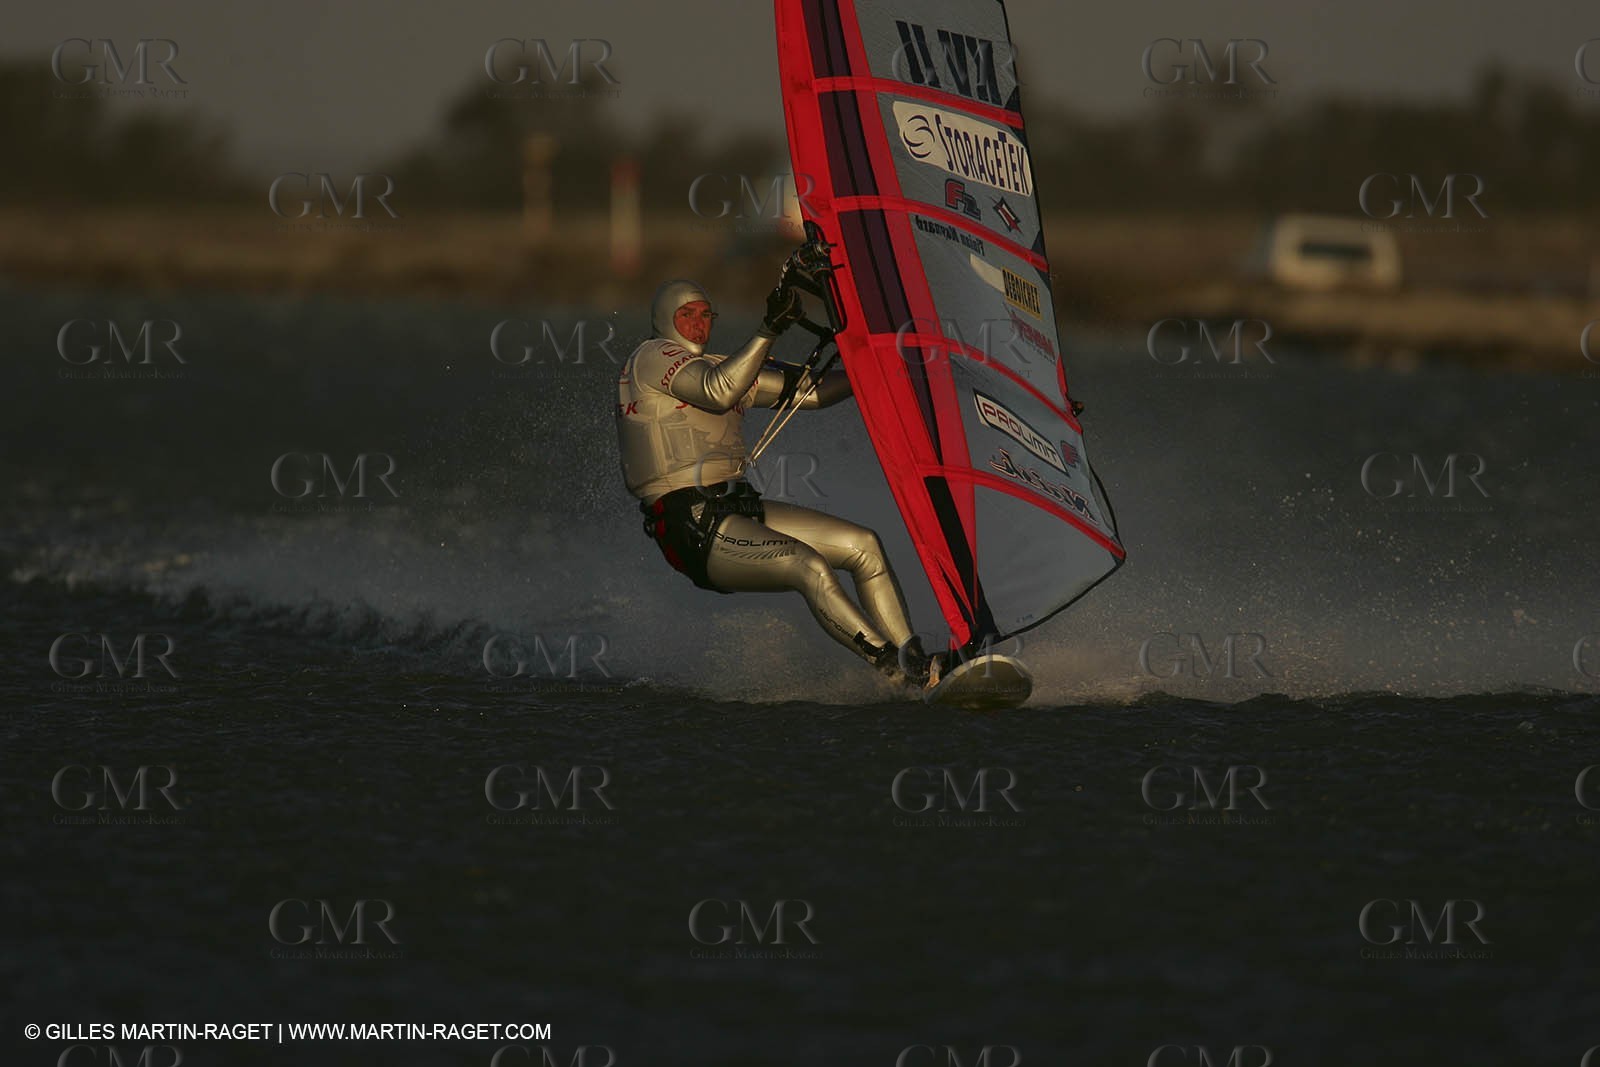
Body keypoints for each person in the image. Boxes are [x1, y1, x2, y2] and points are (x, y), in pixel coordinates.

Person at [615, 272, 942, 688]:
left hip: (738, 509)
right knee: (810, 567)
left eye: (705, 315)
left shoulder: (721, 366)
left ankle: (915, 659)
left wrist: (878, 367)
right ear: (664, 319)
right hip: (690, 524)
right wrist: (768, 329)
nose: (698, 324)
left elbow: (811, 391)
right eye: (686, 315)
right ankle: (895, 670)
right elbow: (718, 392)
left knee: (865, 547)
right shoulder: (652, 356)